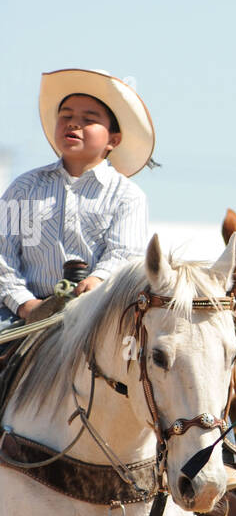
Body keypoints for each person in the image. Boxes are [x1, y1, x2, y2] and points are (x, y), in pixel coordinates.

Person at [0, 69, 152, 328]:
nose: (73, 123)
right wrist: (26, 305)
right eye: (66, 116)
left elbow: (125, 253)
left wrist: (98, 280)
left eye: (88, 119)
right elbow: (3, 255)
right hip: (22, 314)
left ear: (113, 140)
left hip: (97, 315)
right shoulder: (24, 188)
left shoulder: (127, 195)